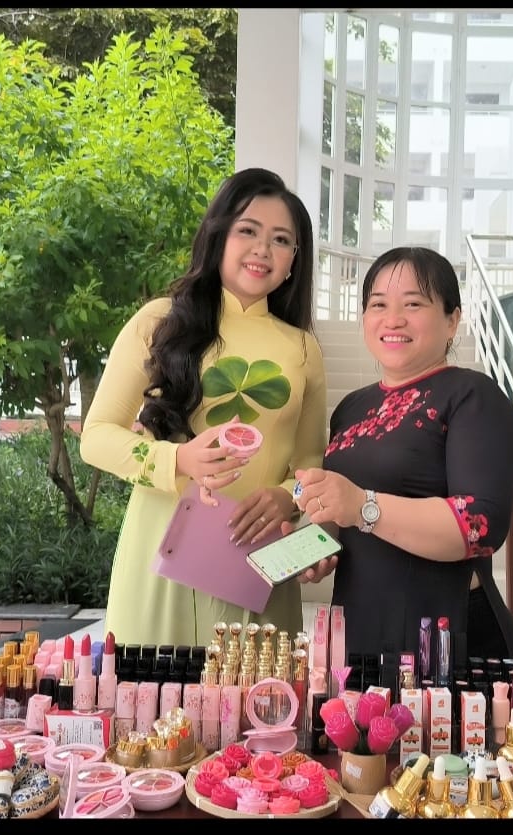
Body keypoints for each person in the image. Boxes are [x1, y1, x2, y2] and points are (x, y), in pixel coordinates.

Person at [79, 167, 327, 646]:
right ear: (218, 235)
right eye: (248, 230)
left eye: (281, 240)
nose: (263, 249)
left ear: (294, 261)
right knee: (150, 690)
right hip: (161, 551)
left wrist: (287, 498)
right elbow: (97, 436)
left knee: (257, 692)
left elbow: (311, 464)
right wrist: (179, 459)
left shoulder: (302, 349)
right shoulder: (158, 321)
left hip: (256, 559)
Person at [292, 246, 513, 671]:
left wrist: (362, 505)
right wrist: (316, 543)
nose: (393, 319)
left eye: (413, 304)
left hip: (443, 636)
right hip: (362, 626)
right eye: (378, 305)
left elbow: (479, 526)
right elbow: (345, 513)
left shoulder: (474, 397)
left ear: (452, 319)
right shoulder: (351, 407)